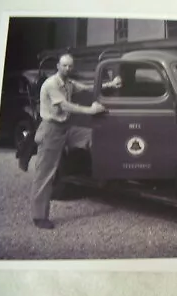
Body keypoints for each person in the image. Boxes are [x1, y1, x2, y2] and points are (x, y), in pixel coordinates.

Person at [30, 53, 121, 229]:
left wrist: (110, 84)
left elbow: (87, 88)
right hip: (51, 130)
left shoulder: (69, 83)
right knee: (45, 173)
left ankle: (104, 175)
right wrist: (91, 110)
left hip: (67, 127)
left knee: (95, 137)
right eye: (64, 65)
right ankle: (39, 216)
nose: (67, 69)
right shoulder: (51, 84)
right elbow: (64, 105)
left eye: (70, 66)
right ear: (58, 66)